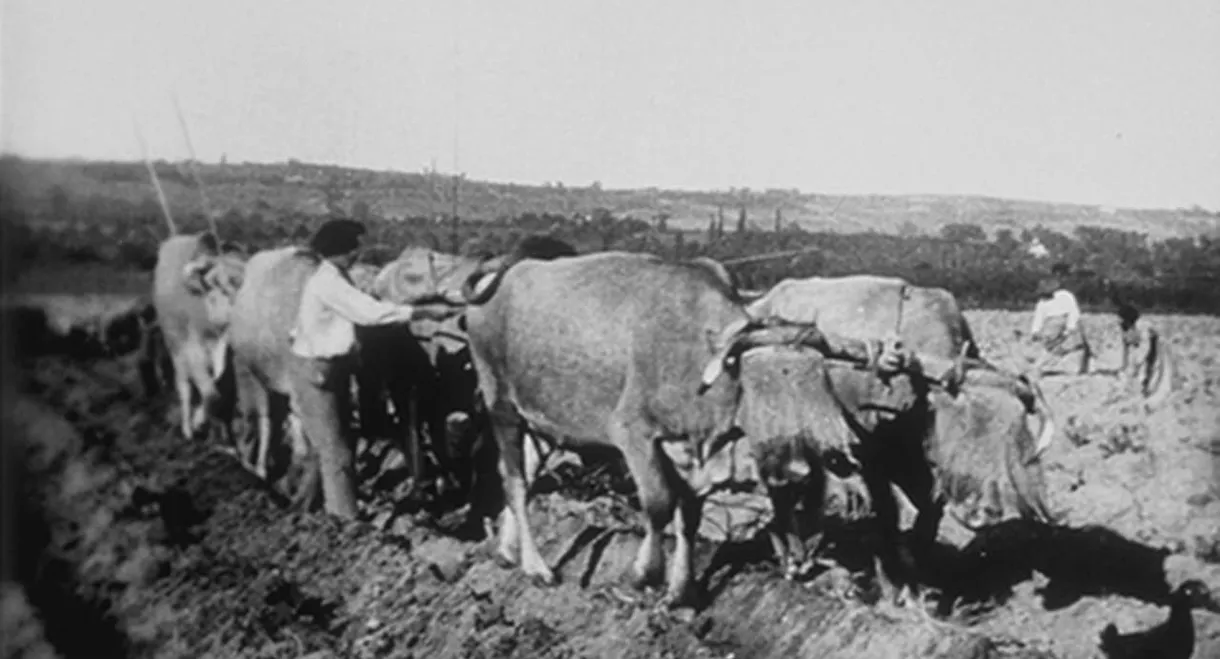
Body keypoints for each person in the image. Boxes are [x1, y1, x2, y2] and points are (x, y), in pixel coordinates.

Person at [289, 218, 461, 518]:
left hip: (330, 371)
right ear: (338, 251)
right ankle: (344, 523)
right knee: (337, 453)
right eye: (353, 248)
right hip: (319, 373)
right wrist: (424, 311)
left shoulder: (336, 277)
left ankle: (307, 512)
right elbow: (369, 313)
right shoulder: (329, 282)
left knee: (333, 447)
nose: (358, 254)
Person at [1029, 277, 1091, 376]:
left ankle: (1080, 369)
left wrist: (1069, 328)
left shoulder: (1065, 296)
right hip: (1053, 325)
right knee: (1051, 348)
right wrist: (1035, 331)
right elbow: (1039, 317)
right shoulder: (1043, 302)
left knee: (1078, 347)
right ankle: (1039, 367)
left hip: (1066, 322)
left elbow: (1073, 312)